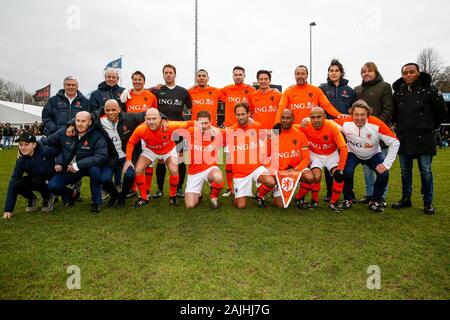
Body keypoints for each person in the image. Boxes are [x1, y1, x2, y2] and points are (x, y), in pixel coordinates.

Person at [391, 63, 447, 214]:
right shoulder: (398, 92)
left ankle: (428, 202)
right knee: (405, 171)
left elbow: (441, 111)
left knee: (426, 171)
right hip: (404, 137)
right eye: (405, 73)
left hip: (424, 137)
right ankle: (406, 198)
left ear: (418, 73)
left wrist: (428, 126)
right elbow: (394, 114)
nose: (408, 75)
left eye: (411, 72)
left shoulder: (430, 90)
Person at [333, 100, 400, 213]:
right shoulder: (345, 121)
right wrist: (306, 121)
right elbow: (326, 123)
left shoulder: (377, 124)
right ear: (351, 115)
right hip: (352, 153)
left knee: (384, 174)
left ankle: (375, 201)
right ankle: (348, 199)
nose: (359, 118)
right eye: (356, 114)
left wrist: (386, 164)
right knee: (346, 172)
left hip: (373, 154)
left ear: (368, 114)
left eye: (363, 115)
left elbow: (395, 142)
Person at [124, 108, 192, 208]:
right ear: (145, 119)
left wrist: (207, 126)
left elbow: (188, 124)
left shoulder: (170, 126)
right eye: (148, 119)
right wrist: (128, 160)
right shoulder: (141, 129)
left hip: (168, 150)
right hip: (151, 150)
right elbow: (131, 142)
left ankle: (172, 196)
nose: (151, 122)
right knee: (138, 170)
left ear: (160, 118)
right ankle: (144, 197)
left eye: (154, 118)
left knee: (174, 170)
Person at [46, 112, 109, 213]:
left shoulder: (97, 135)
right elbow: (47, 142)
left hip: (88, 166)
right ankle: (72, 194)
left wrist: (78, 165)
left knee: (95, 171)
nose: (80, 124)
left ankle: (96, 202)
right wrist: (32, 146)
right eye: (77, 120)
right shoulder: (65, 132)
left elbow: (101, 156)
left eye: (83, 121)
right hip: (70, 167)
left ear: (90, 122)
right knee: (53, 186)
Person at [354, 62, 394, 205]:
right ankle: (369, 193)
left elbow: (388, 109)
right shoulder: (357, 89)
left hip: (379, 135)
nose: (366, 74)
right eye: (363, 71)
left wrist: (376, 127)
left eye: (369, 71)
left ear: (375, 72)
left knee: (381, 167)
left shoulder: (384, 86)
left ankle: (381, 196)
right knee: (366, 168)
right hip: (363, 137)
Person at [149, 64, 192, 199]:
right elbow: (141, 91)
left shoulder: (183, 92)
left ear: (175, 74)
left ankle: (179, 189)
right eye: (166, 73)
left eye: (170, 72)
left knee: (181, 159)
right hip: (162, 130)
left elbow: (191, 108)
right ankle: (160, 189)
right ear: (163, 75)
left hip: (179, 130)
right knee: (161, 160)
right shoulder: (157, 90)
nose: (168, 75)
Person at [97, 99, 148, 208]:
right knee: (104, 179)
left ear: (119, 109)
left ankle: (123, 197)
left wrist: (162, 118)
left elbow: (147, 114)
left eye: (113, 109)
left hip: (127, 156)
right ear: (104, 111)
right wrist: (71, 125)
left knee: (130, 175)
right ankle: (115, 195)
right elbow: (86, 117)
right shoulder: (100, 122)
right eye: (108, 110)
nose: (111, 112)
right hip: (110, 157)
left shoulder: (130, 117)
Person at [225, 102, 275, 209]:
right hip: (240, 174)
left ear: (248, 114)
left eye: (243, 114)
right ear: (235, 115)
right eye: (238, 114)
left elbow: (274, 134)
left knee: (270, 182)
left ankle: (259, 195)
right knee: (240, 206)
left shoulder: (256, 127)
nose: (240, 117)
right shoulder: (230, 131)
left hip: (255, 168)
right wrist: (230, 185)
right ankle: (238, 193)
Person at [297, 107, 348, 212]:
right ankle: (314, 200)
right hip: (315, 154)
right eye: (313, 117)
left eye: (319, 117)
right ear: (310, 118)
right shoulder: (305, 126)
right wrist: (274, 130)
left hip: (331, 155)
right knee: (316, 176)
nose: (316, 120)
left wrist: (341, 168)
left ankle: (333, 203)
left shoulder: (332, 127)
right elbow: (290, 129)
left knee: (339, 176)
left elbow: (343, 148)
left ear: (324, 117)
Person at [319, 59, 356, 202]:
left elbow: (355, 111)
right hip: (327, 131)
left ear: (341, 73)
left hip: (346, 132)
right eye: (331, 71)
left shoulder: (350, 91)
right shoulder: (322, 89)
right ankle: (330, 192)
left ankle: (348, 193)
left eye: (336, 71)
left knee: (346, 163)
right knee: (330, 162)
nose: (333, 73)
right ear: (328, 73)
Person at [3, 133, 57, 219]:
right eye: (21, 145)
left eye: (26, 144)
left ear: (34, 145)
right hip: (36, 178)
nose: (23, 147)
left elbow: (61, 152)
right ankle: (32, 198)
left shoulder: (46, 150)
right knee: (16, 184)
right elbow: (13, 180)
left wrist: (60, 164)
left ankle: (48, 198)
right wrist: (8, 209)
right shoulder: (20, 160)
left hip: (50, 178)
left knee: (38, 180)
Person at [220, 66, 256, 196]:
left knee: (247, 160)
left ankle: (248, 188)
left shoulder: (251, 90)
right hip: (231, 129)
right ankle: (230, 188)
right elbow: (210, 92)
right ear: (232, 76)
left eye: (240, 74)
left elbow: (254, 106)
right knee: (230, 161)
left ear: (244, 75)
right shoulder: (226, 89)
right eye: (235, 74)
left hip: (246, 130)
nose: (238, 76)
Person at [269, 109, 314, 209]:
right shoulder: (274, 134)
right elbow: (265, 158)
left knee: (310, 177)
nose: (285, 120)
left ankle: (299, 197)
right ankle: (276, 188)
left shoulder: (300, 135)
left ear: (293, 119)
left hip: (296, 169)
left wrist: (296, 170)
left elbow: (306, 158)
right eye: (283, 118)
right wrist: (275, 173)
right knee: (281, 206)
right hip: (279, 172)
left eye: (288, 118)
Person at [274, 65, 342, 125]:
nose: (300, 76)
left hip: (311, 128)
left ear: (307, 75)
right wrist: (277, 124)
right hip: (295, 128)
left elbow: (327, 106)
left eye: (302, 74)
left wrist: (339, 115)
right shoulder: (288, 91)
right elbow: (281, 109)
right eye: (298, 74)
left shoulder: (316, 90)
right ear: (295, 75)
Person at [184, 110, 224, 209]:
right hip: (194, 172)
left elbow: (234, 130)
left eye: (206, 123)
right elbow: (175, 126)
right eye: (201, 123)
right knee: (190, 205)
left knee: (218, 177)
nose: (203, 125)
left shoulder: (217, 133)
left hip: (209, 169)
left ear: (210, 122)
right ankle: (199, 193)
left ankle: (213, 197)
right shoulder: (190, 131)